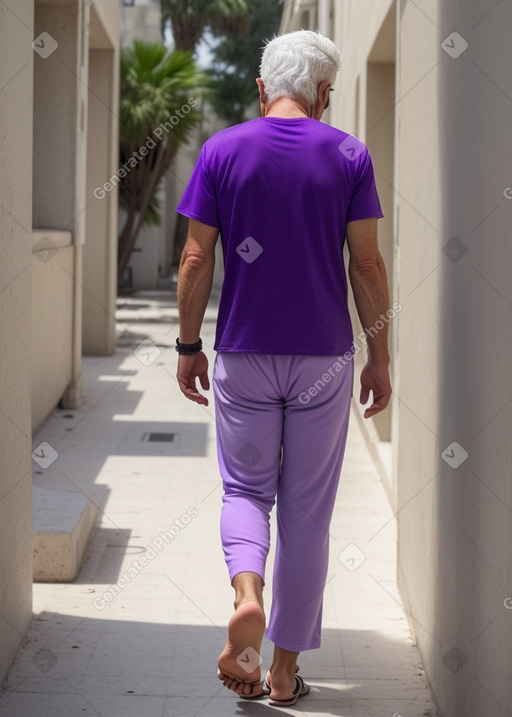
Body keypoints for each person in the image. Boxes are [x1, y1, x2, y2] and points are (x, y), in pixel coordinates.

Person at [175, 29, 392, 707]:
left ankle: (247, 592)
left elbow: (194, 258)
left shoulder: (221, 150)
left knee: (244, 490)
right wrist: (380, 353)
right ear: (325, 92)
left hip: (243, 350)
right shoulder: (348, 154)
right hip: (324, 359)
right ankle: (282, 671)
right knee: (306, 513)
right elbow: (366, 264)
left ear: (265, 87)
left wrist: (187, 347)